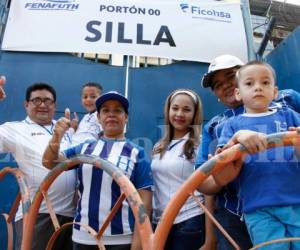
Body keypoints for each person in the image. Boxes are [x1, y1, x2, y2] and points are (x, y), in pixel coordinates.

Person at [195, 54, 300, 250]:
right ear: (238, 92)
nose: (225, 84)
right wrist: (220, 176)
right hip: (244, 209)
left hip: (294, 198)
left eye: (230, 75)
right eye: (217, 84)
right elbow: (203, 179)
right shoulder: (218, 126)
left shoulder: (288, 102)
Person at [42, 91, 153, 250]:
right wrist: (57, 136)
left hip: (121, 241)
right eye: (106, 110)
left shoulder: (138, 153)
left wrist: (137, 245)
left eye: (118, 110)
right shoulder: (85, 147)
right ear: (99, 118)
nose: (111, 115)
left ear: (126, 117)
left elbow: (145, 204)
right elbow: (49, 162)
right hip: (83, 238)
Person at [0, 82, 75, 250]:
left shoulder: (66, 128)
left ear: (54, 105)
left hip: (71, 218)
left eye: (48, 101)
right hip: (38, 215)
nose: (42, 105)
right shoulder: (14, 129)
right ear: (26, 105)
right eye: (36, 100)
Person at [151, 89, 205, 250]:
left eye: (187, 109)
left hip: (189, 219)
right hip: (160, 222)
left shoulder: (200, 143)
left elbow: (209, 193)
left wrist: (211, 239)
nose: (179, 113)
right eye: (175, 108)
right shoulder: (158, 146)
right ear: (168, 110)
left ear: (195, 114)